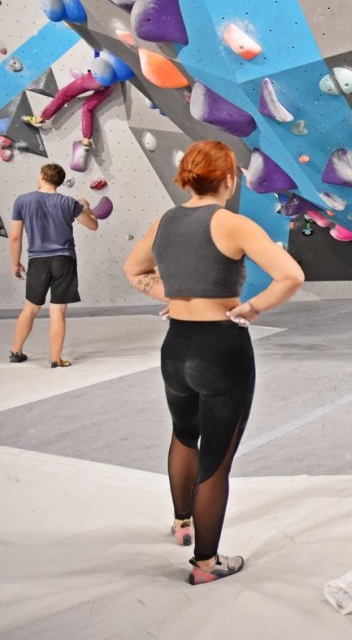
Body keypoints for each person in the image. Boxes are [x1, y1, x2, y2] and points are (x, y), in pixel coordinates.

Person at [122, 140, 304, 584]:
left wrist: (174, 295)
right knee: (215, 462)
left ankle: (182, 523)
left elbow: (133, 270)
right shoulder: (233, 224)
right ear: (229, 179)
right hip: (221, 350)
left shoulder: (165, 221)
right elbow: (291, 275)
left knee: (184, 435)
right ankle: (205, 565)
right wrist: (253, 308)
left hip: (176, 347)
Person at [8, 163, 98, 367]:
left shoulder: (22, 201)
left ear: (42, 176)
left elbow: (15, 237)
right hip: (64, 260)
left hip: (37, 260)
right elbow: (93, 225)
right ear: (59, 181)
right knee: (57, 311)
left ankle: (16, 351)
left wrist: (15, 263)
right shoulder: (68, 202)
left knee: (30, 307)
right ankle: (56, 359)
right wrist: (86, 207)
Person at [22, 70, 117, 150]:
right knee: (87, 108)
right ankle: (86, 141)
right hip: (112, 84)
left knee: (63, 95)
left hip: (95, 77)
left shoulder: (110, 51)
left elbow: (98, 57)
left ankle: (40, 119)